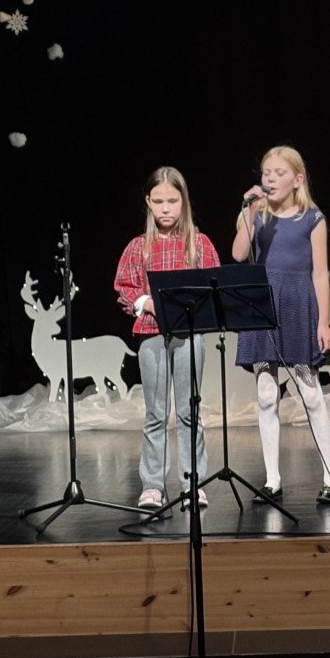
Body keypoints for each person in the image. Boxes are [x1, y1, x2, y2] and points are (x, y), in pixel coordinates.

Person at [231, 144, 330, 505]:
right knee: (266, 395)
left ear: (297, 179)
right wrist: (250, 211)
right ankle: (272, 480)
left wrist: (323, 322)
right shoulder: (256, 215)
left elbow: (321, 273)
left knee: (310, 393)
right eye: (267, 173)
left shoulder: (313, 218)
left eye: (279, 173)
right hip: (262, 307)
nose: (271, 179)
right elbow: (237, 253)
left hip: (297, 307)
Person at [114, 165, 221, 509]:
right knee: (156, 413)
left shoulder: (198, 244)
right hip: (152, 335)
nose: (165, 209)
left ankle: (193, 483)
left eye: (172, 201)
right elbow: (125, 287)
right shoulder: (138, 247)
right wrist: (146, 302)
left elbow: (214, 284)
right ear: (148, 202)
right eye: (158, 201)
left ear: (183, 201)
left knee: (190, 411)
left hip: (190, 335)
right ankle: (153, 485)